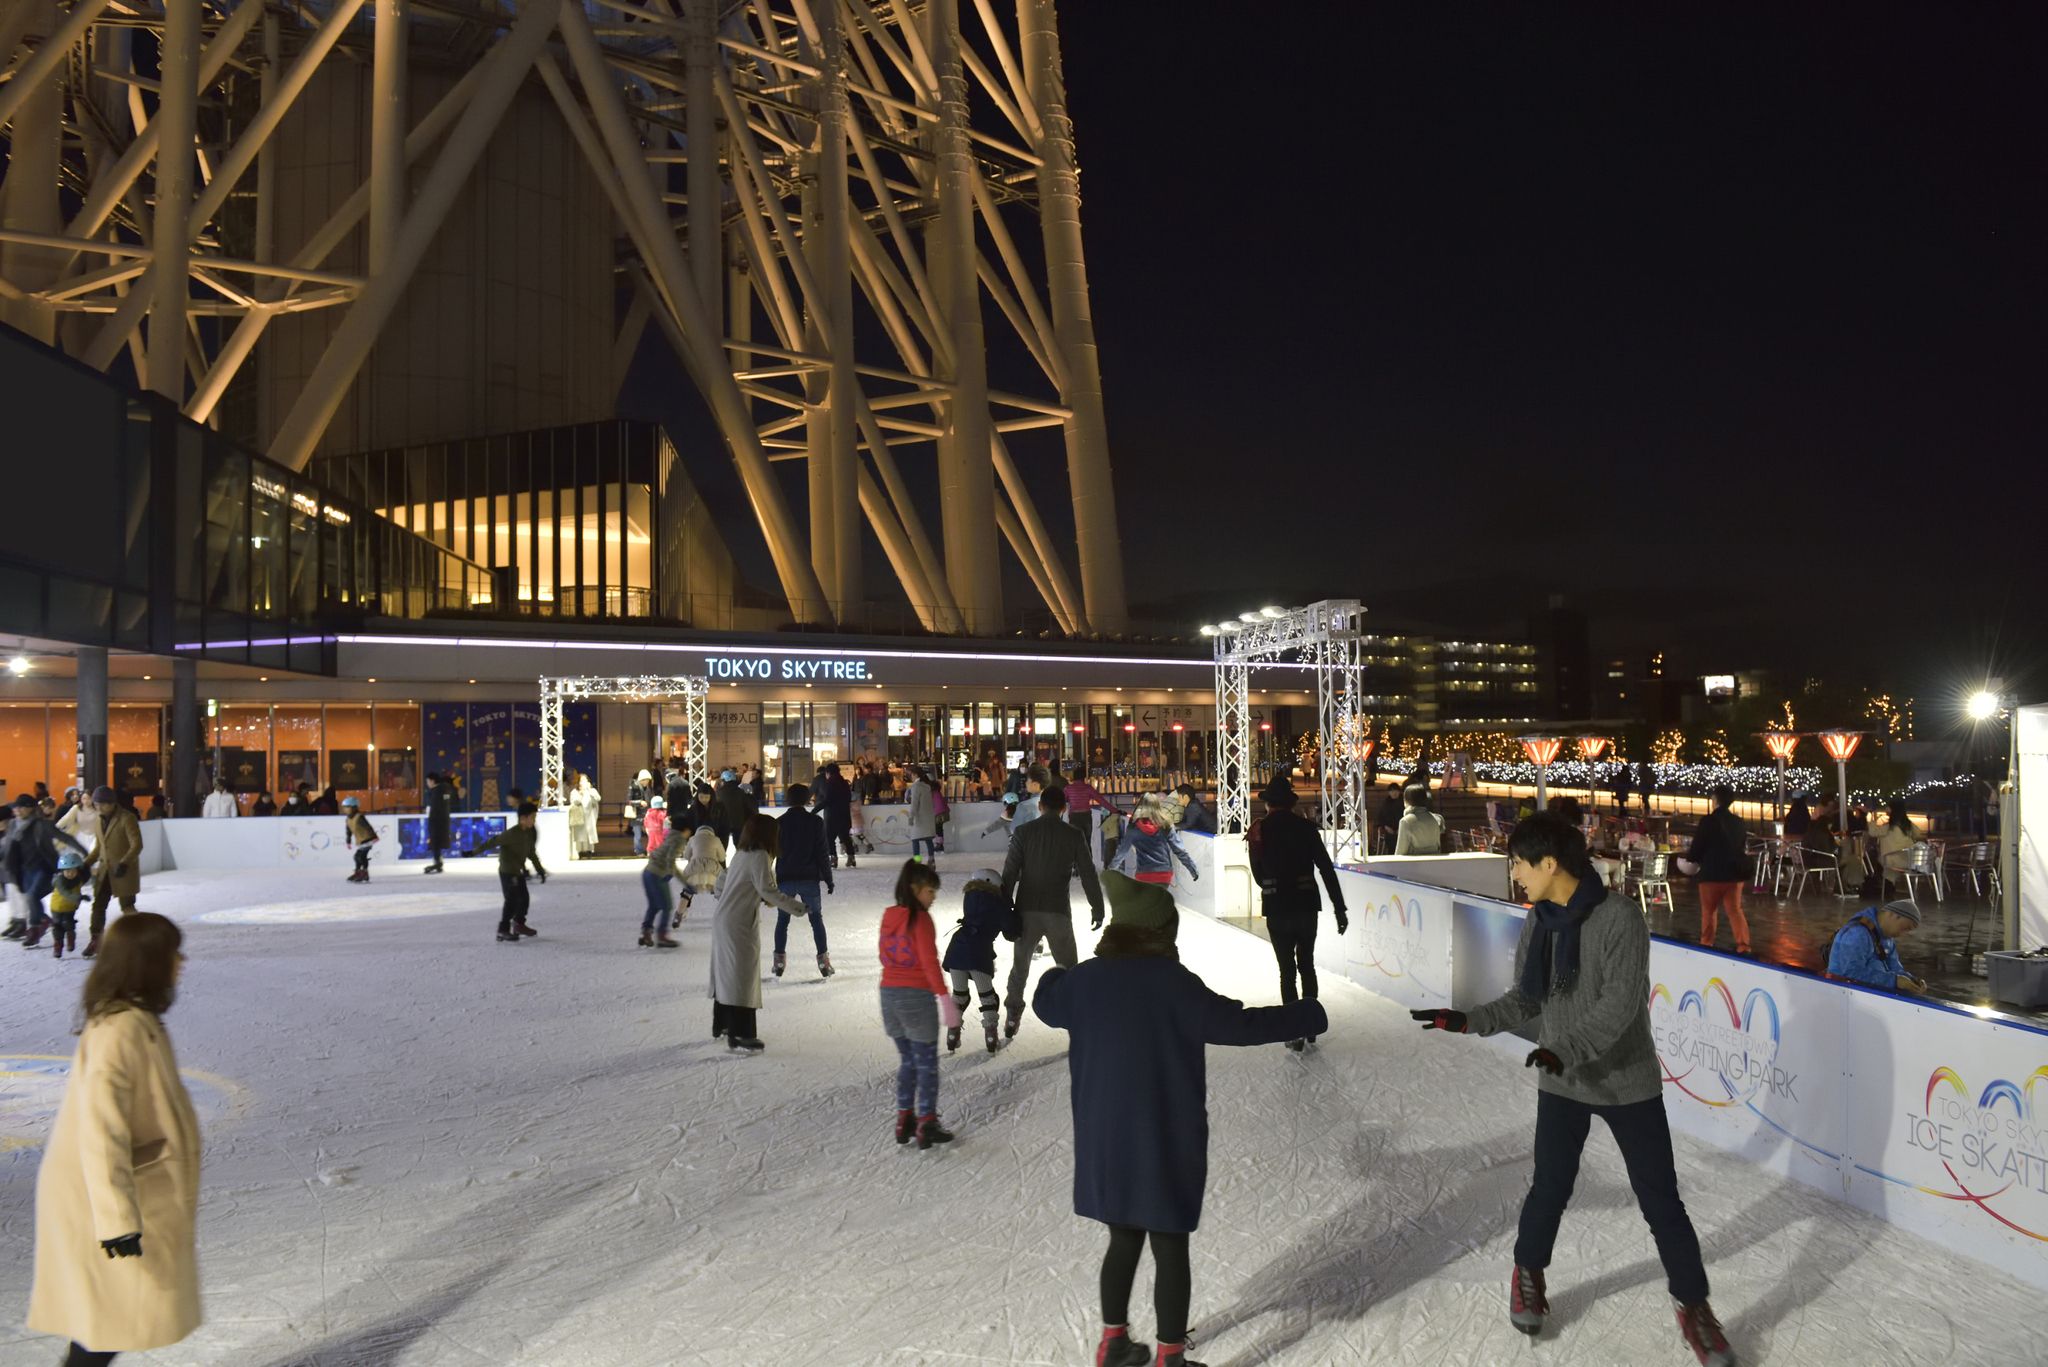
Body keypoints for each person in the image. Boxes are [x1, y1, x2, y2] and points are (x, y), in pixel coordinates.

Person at [1410, 814, 1732, 1367]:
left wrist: (1564, 1049)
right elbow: (1525, 1001)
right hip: (1561, 1078)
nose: (1514, 873)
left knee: (1661, 1201)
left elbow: (1619, 1007)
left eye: (1519, 862)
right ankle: (1528, 1273)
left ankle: (1694, 1305)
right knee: (1549, 1188)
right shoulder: (1540, 921)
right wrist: (1465, 1020)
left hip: (1625, 1080)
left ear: (1549, 863)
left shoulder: (1620, 919)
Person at [1035, 872, 1327, 1367]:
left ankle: (1113, 1344)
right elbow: (1239, 1024)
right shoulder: (1175, 984)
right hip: (1163, 1137)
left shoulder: (1084, 982)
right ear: (1161, 931)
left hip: (1104, 1139)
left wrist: (1053, 975)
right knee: (1169, 1242)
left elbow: (1047, 1000)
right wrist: (1306, 1014)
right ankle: (1170, 1356)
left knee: (1122, 1236)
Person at [27, 913, 202, 1366]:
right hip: (100, 1199)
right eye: (172, 953)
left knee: (107, 1319)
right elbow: (100, 1130)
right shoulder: (119, 1031)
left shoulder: (136, 1019)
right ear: (146, 960)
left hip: (119, 1189)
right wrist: (116, 1220)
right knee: (109, 1318)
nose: (181, 962)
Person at [1247, 779, 1349, 1049]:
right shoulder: (1306, 829)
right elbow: (1326, 870)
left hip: (1277, 906)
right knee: (1307, 964)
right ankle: (1311, 1024)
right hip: (1306, 905)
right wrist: (1339, 908)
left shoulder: (1259, 830)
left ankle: (1293, 1031)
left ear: (1267, 803)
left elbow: (1258, 876)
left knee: (1287, 970)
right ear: (1291, 803)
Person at [1001, 785, 1105, 1040]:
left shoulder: (1023, 832)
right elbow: (1089, 873)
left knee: (1020, 967)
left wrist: (1003, 909)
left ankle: (1013, 1012)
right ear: (1064, 809)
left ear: (1040, 806)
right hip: (1058, 912)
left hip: (1026, 911)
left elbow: (1010, 873)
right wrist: (1097, 906)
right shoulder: (1073, 834)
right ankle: (1076, 1018)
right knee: (1070, 970)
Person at [880, 860, 961, 1149]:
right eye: (930, 891)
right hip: (916, 998)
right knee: (926, 1064)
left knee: (908, 1061)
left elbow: (884, 956)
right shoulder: (921, 919)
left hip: (888, 995)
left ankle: (905, 1118)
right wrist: (943, 997)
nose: (933, 897)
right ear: (915, 889)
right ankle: (926, 1121)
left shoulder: (889, 915)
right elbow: (929, 962)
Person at [709, 814, 806, 1053]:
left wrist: (736, 898)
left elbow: (721, 884)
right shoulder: (760, 855)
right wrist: (798, 908)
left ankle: (721, 1023)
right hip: (738, 923)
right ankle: (740, 1034)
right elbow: (767, 890)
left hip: (724, 919)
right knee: (742, 976)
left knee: (727, 971)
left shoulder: (742, 854)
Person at [944, 867, 1020, 1054]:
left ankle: (952, 1036)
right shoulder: (998, 903)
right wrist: (1011, 909)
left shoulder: (969, 897)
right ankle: (991, 1037)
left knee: (959, 996)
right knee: (987, 997)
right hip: (978, 952)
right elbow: (1011, 931)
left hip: (957, 949)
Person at [773, 783, 837, 979]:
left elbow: (773, 852)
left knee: (782, 921)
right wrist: (828, 878)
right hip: (809, 878)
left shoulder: (779, 822)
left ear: (788, 799)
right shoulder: (815, 822)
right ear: (807, 799)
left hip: (786, 878)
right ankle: (824, 963)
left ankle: (779, 962)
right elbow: (822, 852)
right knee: (816, 920)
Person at [14, 794, 91, 951]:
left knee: (32, 896)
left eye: (22, 807)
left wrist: (85, 853)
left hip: (44, 867)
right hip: (25, 869)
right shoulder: (15, 826)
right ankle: (43, 920)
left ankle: (36, 928)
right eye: (17, 807)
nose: (18, 810)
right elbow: (9, 846)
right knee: (29, 899)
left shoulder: (43, 825)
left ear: (31, 808)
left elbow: (65, 838)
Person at [1685, 785, 1751, 956]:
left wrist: (1691, 858)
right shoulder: (1739, 822)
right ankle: (1743, 945)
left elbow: (1697, 847)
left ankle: (1707, 944)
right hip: (1734, 876)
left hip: (1711, 874)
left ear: (1715, 800)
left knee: (1709, 911)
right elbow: (1742, 846)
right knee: (1735, 911)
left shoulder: (1707, 821)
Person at [78, 789, 141, 959]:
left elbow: (136, 845)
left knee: (127, 906)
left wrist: (124, 862)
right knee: (98, 905)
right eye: (96, 803)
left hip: (123, 870)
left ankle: (139, 939)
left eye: (102, 804)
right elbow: (99, 847)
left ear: (112, 803)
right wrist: (85, 864)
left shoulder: (127, 818)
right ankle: (96, 939)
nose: (99, 807)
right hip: (105, 871)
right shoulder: (98, 820)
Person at [475, 802, 547, 942]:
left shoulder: (529, 833)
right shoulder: (512, 833)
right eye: (532, 817)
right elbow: (492, 842)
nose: (534, 820)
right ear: (523, 818)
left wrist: (540, 870)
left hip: (517, 871)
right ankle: (503, 930)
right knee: (511, 901)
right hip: (507, 872)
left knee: (524, 898)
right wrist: (472, 852)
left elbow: (531, 853)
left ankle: (519, 924)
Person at [1825, 900, 1926, 994]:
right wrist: (1894, 981)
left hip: (1869, 993)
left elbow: (1894, 967)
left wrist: (1911, 980)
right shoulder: (1857, 934)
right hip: (1843, 994)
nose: (1903, 934)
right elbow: (1850, 973)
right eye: (1905, 928)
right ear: (1894, 915)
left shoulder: (1887, 938)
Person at [1110, 791, 1200, 885]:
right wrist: (1193, 870)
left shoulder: (1134, 828)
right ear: (1158, 805)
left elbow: (1122, 852)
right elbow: (1179, 850)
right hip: (1164, 875)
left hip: (1144, 875)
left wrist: (1111, 870)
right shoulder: (1166, 825)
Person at [639, 821, 688, 949]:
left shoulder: (671, 837)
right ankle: (662, 936)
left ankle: (646, 932)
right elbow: (670, 861)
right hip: (657, 875)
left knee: (654, 906)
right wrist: (685, 882)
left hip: (648, 872)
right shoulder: (679, 840)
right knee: (666, 906)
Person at [47, 849, 88, 959]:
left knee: (68, 924)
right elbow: (65, 893)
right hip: (57, 907)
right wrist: (79, 897)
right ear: (62, 871)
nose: (70, 874)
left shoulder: (78, 879)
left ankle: (70, 938)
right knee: (57, 927)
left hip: (70, 907)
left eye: (73, 871)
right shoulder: (59, 880)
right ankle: (58, 946)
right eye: (67, 871)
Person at [815, 764, 857, 868]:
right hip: (844, 814)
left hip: (832, 816)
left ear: (828, 773)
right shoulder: (844, 783)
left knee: (829, 838)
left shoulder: (829, 783)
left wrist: (815, 810)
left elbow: (827, 800)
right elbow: (849, 798)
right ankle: (851, 858)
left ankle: (833, 859)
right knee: (845, 837)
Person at [421, 771, 458, 873]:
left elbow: (434, 807)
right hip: (444, 819)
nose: (427, 784)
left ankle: (438, 862)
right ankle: (438, 862)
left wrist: (430, 815)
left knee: (435, 842)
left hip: (436, 820)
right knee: (437, 842)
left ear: (432, 781)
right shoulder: (446, 790)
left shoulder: (435, 792)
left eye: (427, 781)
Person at [1395, 785, 1445, 855]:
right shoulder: (1437, 818)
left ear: (1406, 801)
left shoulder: (1406, 821)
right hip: (1434, 863)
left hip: (1413, 864)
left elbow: (1400, 852)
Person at [904, 766, 938, 863]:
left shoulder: (916, 787)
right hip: (929, 817)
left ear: (915, 775)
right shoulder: (927, 786)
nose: (910, 777)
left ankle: (917, 861)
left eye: (911, 775)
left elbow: (914, 804)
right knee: (928, 839)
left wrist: (911, 817)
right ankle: (931, 860)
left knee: (915, 840)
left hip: (919, 818)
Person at [715, 770, 756, 850]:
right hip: (739, 824)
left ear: (723, 780)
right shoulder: (741, 792)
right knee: (740, 847)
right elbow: (748, 808)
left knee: (722, 849)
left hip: (723, 824)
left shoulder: (719, 793)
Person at [340, 796, 378, 883]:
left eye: (347, 807)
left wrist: (374, 837)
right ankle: (359, 872)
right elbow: (348, 831)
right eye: (344, 808)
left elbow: (368, 827)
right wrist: (348, 841)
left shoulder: (359, 817)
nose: (345, 810)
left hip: (367, 839)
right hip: (361, 840)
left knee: (360, 856)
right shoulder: (348, 819)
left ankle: (363, 873)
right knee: (358, 857)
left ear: (354, 808)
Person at [626, 769, 653, 856]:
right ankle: (639, 851)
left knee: (650, 833)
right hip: (637, 815)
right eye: (645, 780)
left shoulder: (647, 789)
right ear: (641, 779)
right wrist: (640, 802)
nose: (647, 782)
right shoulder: (634, 787)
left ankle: (649, 849)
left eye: (648, 780)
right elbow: (629, 801)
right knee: (638, 835)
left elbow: (650, 799)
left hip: (646, 814)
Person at [1375, 782, 1405, 855]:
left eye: (1395, 791)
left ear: (1399, 791)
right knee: (1390, 839)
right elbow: (1380, 817)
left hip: (1403, 828)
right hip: (1389, 829)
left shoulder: (1404, 802)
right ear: (1389, 792)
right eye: (1391, 791)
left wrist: (1401, 828)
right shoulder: (1385, 803)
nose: (1394, 793)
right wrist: (1386, 827)